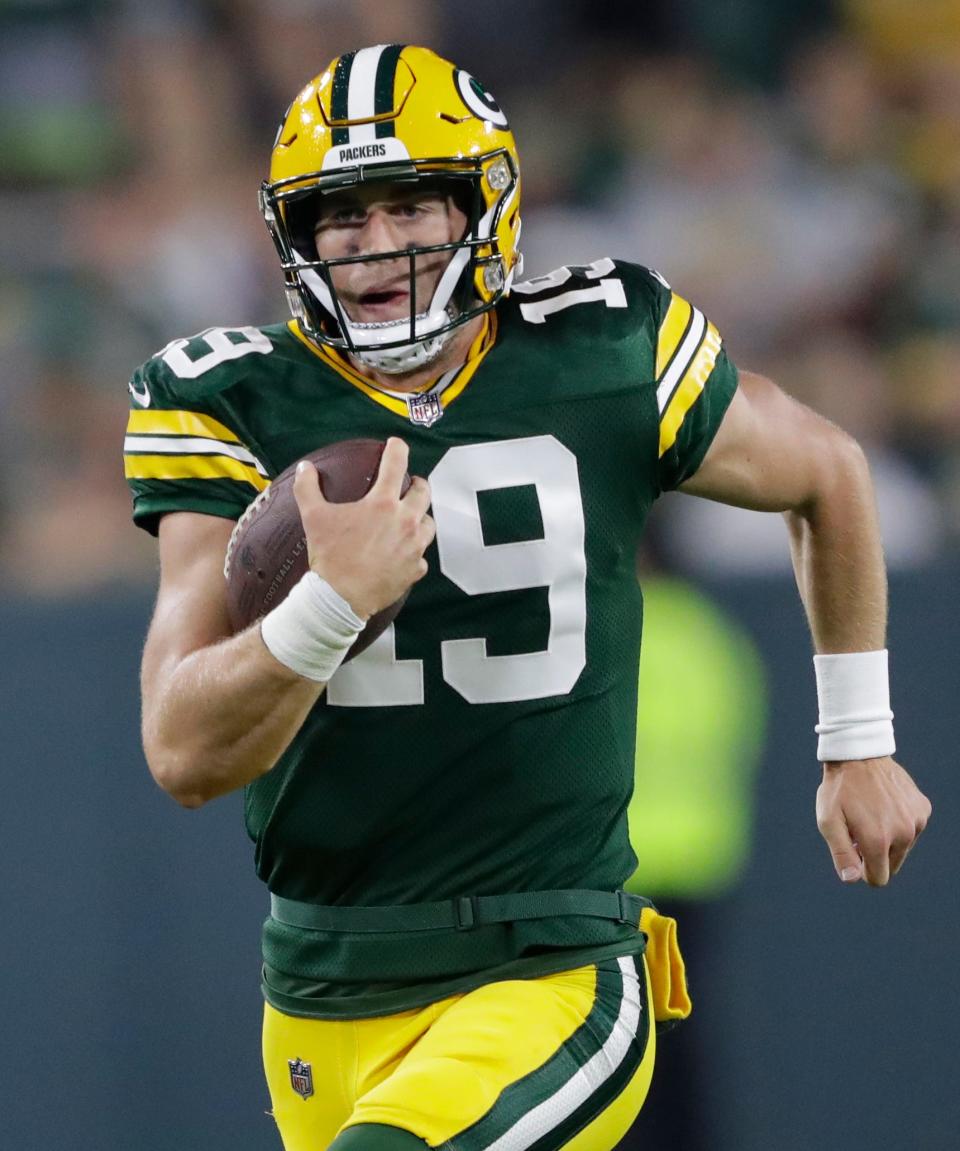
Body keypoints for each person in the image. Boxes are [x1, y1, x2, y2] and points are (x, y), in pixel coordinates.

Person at [124, 44, 931, 1151]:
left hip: (548, 971)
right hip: (320, 986)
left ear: (484, 207)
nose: (374, 248)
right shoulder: (228, 397)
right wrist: (326, 607)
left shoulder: (599, 347)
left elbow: (827, 470)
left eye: (409, 208)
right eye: (340, 217)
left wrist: (861, 738)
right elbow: (181, 748)